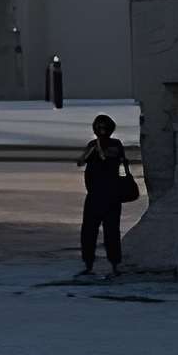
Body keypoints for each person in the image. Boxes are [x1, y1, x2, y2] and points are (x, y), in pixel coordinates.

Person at [75, 111, 131, 276]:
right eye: (99, 128)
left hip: (111, 195)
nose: (101, 131)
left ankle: (114, 264)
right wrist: (92, 148)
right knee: (89, 232)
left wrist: (98, 147)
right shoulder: (93, 144)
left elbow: (109, 157)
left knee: (111, 232)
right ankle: (89, 264)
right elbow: (80, 161)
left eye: (104, 128)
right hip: (95, 195)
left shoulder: (115, 144)